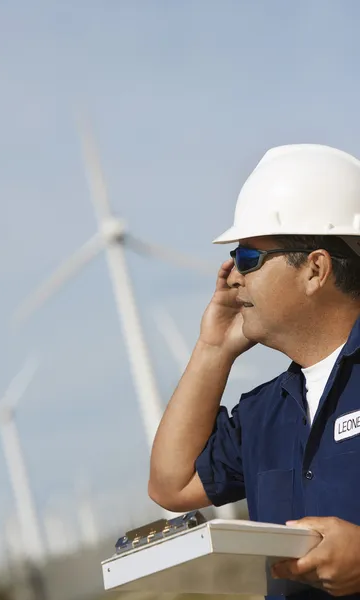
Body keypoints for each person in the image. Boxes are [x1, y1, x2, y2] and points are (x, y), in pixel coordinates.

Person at [148, 144, 360, 599]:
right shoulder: (263, 414)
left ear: (315, 269)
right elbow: (172, 484)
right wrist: (212, 350)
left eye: (248, 258)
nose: (232, 278)